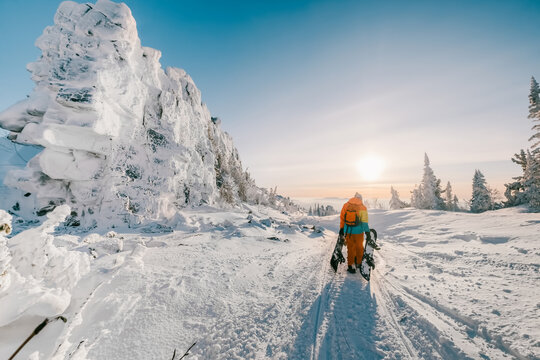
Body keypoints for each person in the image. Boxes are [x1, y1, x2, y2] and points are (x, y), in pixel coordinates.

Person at [339, 192, 370, 274]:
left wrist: (342, 228)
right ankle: (359, 264)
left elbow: (342, 218)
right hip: (359, 232)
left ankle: (350, 266)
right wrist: (367, 231)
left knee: (350, 248)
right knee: (359, 247)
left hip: (348, 231)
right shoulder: (362, 207)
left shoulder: (346, 205)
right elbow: (364, 222)